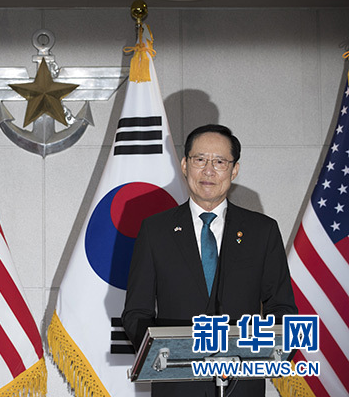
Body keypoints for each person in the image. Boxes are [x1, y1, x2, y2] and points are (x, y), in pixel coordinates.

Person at [122, 124, 297, 397]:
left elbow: (282, 308)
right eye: (200, 160)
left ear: (234, 170)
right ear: (184, 165)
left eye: (220, 162)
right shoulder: (155, 231)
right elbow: (136, 313)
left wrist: (258, 354)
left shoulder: (262, 231)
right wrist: (166, 354)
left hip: (242, 384)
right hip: (176, 385)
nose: (208, 171)